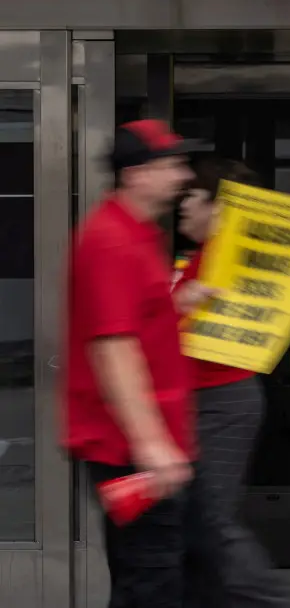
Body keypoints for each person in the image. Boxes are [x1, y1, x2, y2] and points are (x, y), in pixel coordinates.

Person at [62, 119, 202, 608]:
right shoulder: (112, 240)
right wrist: (152, 445)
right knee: (151, 583)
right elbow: (113, 346)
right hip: (131, 451)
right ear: (136, 174)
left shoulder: (136, 234)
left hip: (148, 446)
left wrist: (179, 305)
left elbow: (134, 322)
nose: (183, 175)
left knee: (157, 576)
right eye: (173, 165)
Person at [174, 156, 290, 608]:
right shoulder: (205, 259)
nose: (183, 204)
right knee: (197, 523)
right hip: (201, 401)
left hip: (220, 403)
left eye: (194, 196)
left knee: (211, 522)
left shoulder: (226, 262)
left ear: (219, 208)